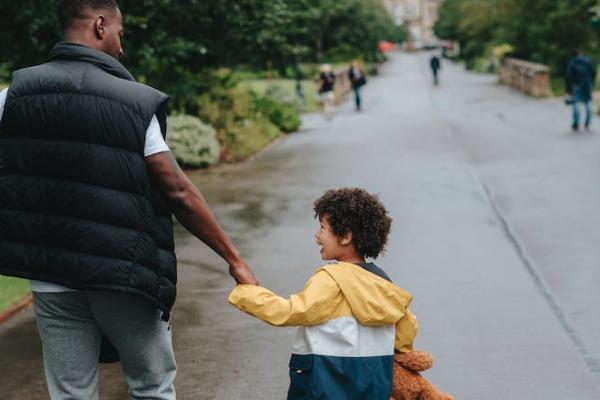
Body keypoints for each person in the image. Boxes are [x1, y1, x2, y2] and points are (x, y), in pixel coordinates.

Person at [0, 1, 257, 399]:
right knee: (152, 386)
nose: (121, 48)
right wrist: (233, 258)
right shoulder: (132, 101)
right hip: (122, 275)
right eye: (120, 33)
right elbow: (177, 189)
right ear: (100, 25)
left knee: (69, 392)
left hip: (51, 276)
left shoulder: (11, 96)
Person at [229, 188, 418, 399]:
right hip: (373, 383)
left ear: (345, 236)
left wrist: (248, 293)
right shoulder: (384, 283)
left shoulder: (331, 279)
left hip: (325, 381)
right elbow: (406, 328)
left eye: (322, 228)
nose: (317, 235)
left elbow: (291, 311)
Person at [566, 49, 596, 131]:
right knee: (588, 103)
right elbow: (593, 72)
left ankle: (576, 123)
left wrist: (568, 89)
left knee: (575, 103)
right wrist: (592, 83)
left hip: (576, 85)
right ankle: (587, 122)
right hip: (587, 84)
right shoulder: (587, 61)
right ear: (580, 53)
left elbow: (568, 76)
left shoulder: (572, 62)